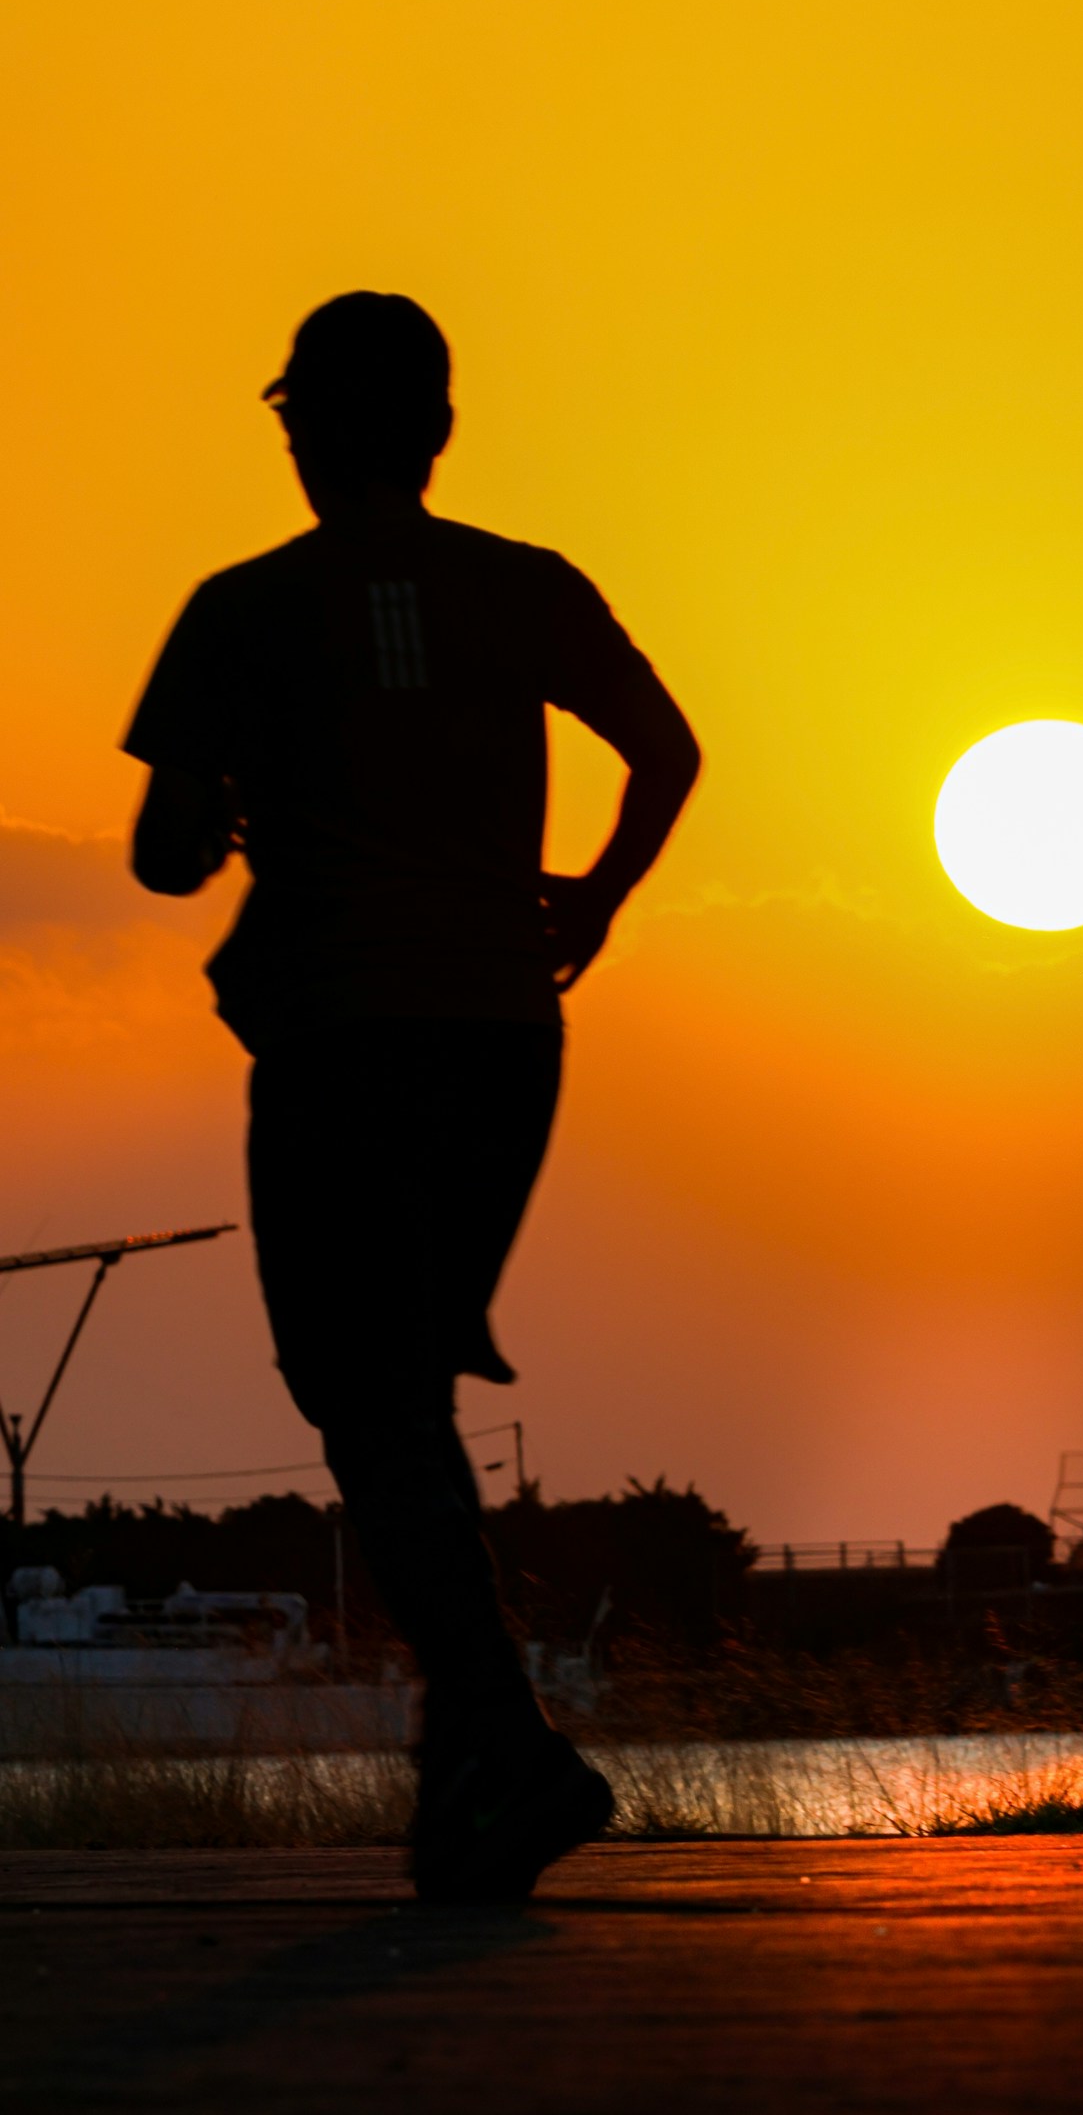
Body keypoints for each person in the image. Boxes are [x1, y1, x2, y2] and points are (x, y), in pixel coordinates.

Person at [125, 292, 700, 1899]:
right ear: (439, 429)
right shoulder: (524, 588)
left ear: (306, 428)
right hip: (507, 1036)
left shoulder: (244, 611)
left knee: (362, 1392)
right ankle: (473, 1771)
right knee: (407, 1395)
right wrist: (594, 898)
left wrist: (232, 806)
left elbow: (165, 856)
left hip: (340, 1039)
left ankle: (501, 1732)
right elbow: (667, 749)